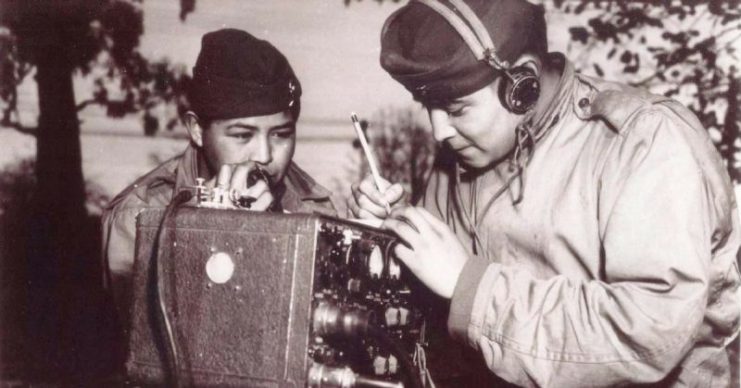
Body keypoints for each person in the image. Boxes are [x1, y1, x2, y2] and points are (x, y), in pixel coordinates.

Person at [349, 0, 740, 386]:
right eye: (427, 108)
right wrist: (390, 237)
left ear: (522, 85)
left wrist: (471, 287)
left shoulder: (644, 141)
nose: (440, 131)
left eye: (456, 108)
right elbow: (431, 309)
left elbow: (648, 332)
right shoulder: (459, 156)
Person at [102, 28, 336, 338]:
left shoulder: (314, 206)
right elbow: (147, 350)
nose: (264, 155)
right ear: (197, 130)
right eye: (242, 135)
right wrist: (206, 237)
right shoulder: (139, 217)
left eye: (281, 134)